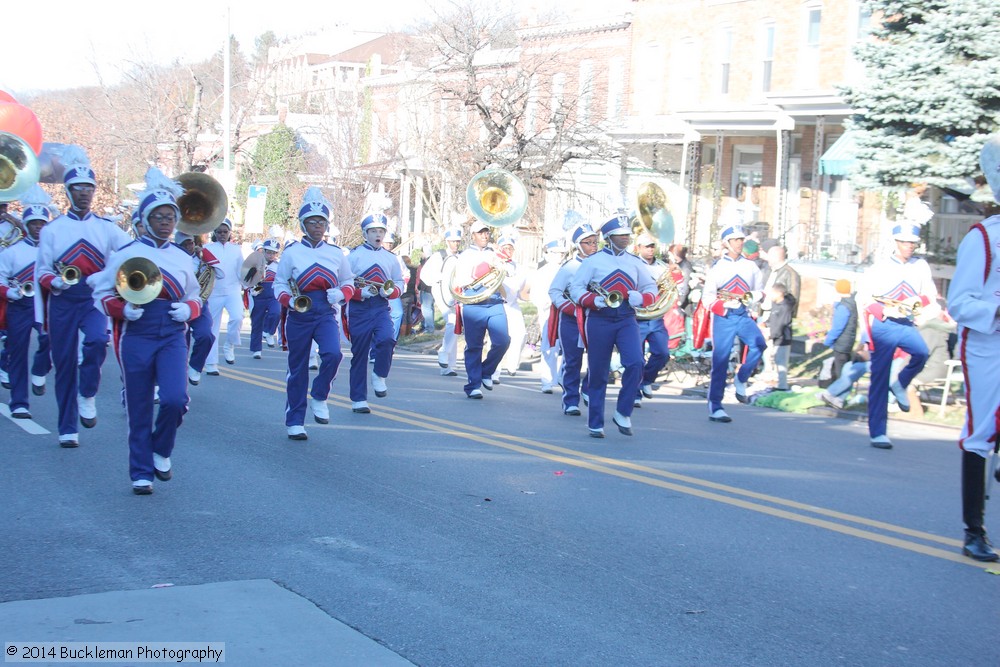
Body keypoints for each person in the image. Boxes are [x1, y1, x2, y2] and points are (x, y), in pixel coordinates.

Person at [88, 168, 203, 494]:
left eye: (171, 216)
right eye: (159, 216)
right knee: (139, 405)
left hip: (171, 333)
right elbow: (101, 295)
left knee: (175, 399)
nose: (166, 221)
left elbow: (195, 296)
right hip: (135, 333)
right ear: (146, 217)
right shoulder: (125, 254)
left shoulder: (183, 258)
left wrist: (189, 309)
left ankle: (162, 448)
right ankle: (140, 471)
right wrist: (123, 309)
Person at [35, 145, 131, 447]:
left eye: (88, 189)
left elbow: (133, 254)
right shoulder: (52, 230)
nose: (84, 194)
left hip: (93, 299)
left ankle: (87, 393)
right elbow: (41, 271)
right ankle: (67, 427)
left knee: (96, 342)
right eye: (77, 189)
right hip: (63, 301)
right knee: (63, 364)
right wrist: (56, 283)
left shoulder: (107, 228)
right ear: (68, 192)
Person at [945, 136, 1000, 562]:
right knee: (981, 433)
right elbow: (960, 302)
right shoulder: (983, 238)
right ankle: (974, 531)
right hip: (989, 348)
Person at [273, 187, 356, 440]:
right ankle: (295, 420)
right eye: (312, 222)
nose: (317, 226)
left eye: (321, 222)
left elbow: (349, 280)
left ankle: (320, 394)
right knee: (297, 369)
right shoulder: (291, 252)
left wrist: (342, 294)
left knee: (333, 354)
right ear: (303, 224)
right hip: (299, 313)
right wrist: (289, 300)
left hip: (325, 312)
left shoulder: (335, 253)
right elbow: (279, 283)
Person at [569, 213, 656, 438]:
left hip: (627, 318)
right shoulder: (593, 261)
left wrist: (641, 298)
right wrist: (592, 300)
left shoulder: (635, 262)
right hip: (599, 320)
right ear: (609, 237)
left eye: (627, 234)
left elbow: (652, 290)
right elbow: (576, 288)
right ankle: (595, 422)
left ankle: (622, 411)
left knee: (636, 362)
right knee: (598, 371)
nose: (625, 238)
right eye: (620, 235)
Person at [858, 222, 937, 449]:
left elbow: (929, 293)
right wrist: (883, 310)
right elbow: (865, 297)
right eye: (904, 242)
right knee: (879, 378)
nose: (909, 246)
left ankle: (900, 383)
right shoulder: (880, 267)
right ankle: (878, 432)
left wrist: (916, 303)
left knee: (921, 353)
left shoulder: (921, 266)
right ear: (896, 243)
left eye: (912, 243)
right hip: (884, 325)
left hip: (906, 323)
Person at [701, 224, 766, 424]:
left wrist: (756, 296)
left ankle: (741, 378)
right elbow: (707, 298)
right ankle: (716, 406)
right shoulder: (717, 268)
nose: (739, 243)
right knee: (720, 360)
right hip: (724, 317)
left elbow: (761, 291)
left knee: (759, 344)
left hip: (743, 314)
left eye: (741, 240)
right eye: (735, 240)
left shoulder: (751, 266)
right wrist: (722, 305)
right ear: (726, 243)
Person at [0, 186, 53, 418]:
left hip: (46, 305)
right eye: (34, 224)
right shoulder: (12, 252)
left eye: (42, 224)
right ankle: (19, 402)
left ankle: (40, 370)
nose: (38, 228)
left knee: (50, 340)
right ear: (27, 225)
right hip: (20, 305)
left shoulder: (54, 251)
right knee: (17, 352)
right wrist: (8, 293)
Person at [346, 213, 403, 413]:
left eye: (381, 231)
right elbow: (343, 283)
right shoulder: (354, 256)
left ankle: (379, 374)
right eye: (373, 231)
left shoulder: (390, 258)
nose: (377, 235)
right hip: (359, 309)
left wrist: (391, 291)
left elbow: (399, 282)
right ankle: (358, 399)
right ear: (365, 233)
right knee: (359, 354)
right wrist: (360, 293)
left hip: (380, 306)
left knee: (387, 339)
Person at [452, 220, 511, 399]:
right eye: (480, 232)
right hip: (473, 303)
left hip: (494, 301)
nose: (485, 235)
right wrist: (483, 273)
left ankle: (486, 371)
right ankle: (473, 385)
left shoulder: (495, 253)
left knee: (503, 341)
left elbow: (506, 273)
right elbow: (460, 280)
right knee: (474, 346)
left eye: (486, 232)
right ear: (473, 235)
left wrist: (500, 265)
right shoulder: (464, 256)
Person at [549, 224, 598, 415]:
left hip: (594, 318)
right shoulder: (570, 267)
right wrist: (569, 308)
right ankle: (570, 400)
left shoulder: (600, 263)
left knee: (597, 359)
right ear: (578, 245)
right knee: (573, 360)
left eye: (595, 242)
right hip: (572, 319)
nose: (594, 246)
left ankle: (587, 388)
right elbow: (554, 291)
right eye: (588, 242)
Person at [173, 232, 219, 385]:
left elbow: (221, 273)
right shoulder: (173, 259)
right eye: (185, 244)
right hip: (177, 304)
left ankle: (195, 366)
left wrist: (204, 254)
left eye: (190, 243)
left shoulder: (202, 259)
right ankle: (177, 381)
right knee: (180, 344)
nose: (188, 247)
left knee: (206, 335)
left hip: (199, 303)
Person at [633, 233, 671, 404]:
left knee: (663, 352)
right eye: (646, 246)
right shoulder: (632, 264)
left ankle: (646, 380)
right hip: (637, 316)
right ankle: (634, 394)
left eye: (652, 246)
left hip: (656, 316)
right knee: (637, 358)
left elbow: (669, 290)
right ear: (638, 248)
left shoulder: (662, 267)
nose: (650, 249)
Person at [525, 238, 567, 393]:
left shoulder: (568, 269)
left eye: (562, 253)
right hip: (549, 311)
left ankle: (563, 378)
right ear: (548, 254)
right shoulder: (542, 272)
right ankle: (547, 380)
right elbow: (535, 295)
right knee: (549, 346)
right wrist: (545, 304)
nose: (560, 256)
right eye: (556, 253)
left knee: (568, 346)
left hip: (566, 311)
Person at [203, 219, 244, 373]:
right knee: (212, 329)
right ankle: (211, 364)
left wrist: (250, 282)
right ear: (214, 233)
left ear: (229, 233)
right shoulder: (207, 248)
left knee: (238, 317)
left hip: (233, 290)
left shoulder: (236, 249)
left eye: (225, 232)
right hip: (214, 293)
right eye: (219, 232)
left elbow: (242, 270)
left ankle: (230, 344)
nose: (222, 235)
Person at [422, 228, 463, 376]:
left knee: (456, 325)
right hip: (441, 292)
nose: (455, 244)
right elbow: (425, 275)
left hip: (457, 294)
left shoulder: (461, 256)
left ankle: (448, 366)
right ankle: (444, 351)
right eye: (453, 241)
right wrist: (439, 278)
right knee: (452, 321)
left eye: (457, 241)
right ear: (447, 241)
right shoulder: (439, 256)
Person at [493, 233, 526, 380]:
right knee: (497, 339)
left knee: (520, 334)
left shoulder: (518, 266)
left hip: (512, 305)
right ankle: (494, 371)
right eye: (505, 248)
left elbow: (522, 290)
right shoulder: (494, 263)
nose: (508, 251)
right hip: (497, 304)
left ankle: (512, 366)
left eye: (510, 248)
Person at [248, 238, 281, 359]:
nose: (271, 255)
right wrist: (253, 288)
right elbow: (247, 280)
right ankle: (256, 349)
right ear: (264, 252)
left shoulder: (279, 266)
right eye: (269, 252)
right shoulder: (256, 263)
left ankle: (269, 332)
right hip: (259, 292)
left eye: (273, 253)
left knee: (276, 313)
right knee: (257, 322)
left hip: (273, 293)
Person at [824, 278, 858, 384]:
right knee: (845, 370)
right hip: (849, 341)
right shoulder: (852, 303)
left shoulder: (843, 307)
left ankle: (838, 395)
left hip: (841, 343)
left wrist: (828, 341)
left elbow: (838, 327)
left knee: (840, 371)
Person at [765, 283, 796, 391]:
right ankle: (776, 382)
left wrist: (771, 334)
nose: (770, 295)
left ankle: (782, 386)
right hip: (775, 337)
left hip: (783, 337)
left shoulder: (785, 307)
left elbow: (782, 323)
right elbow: (772, 319)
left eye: (772, 293)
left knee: (781, 361)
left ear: (779, 293)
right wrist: (766, 324)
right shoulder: (775, 305)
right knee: (775, 359)